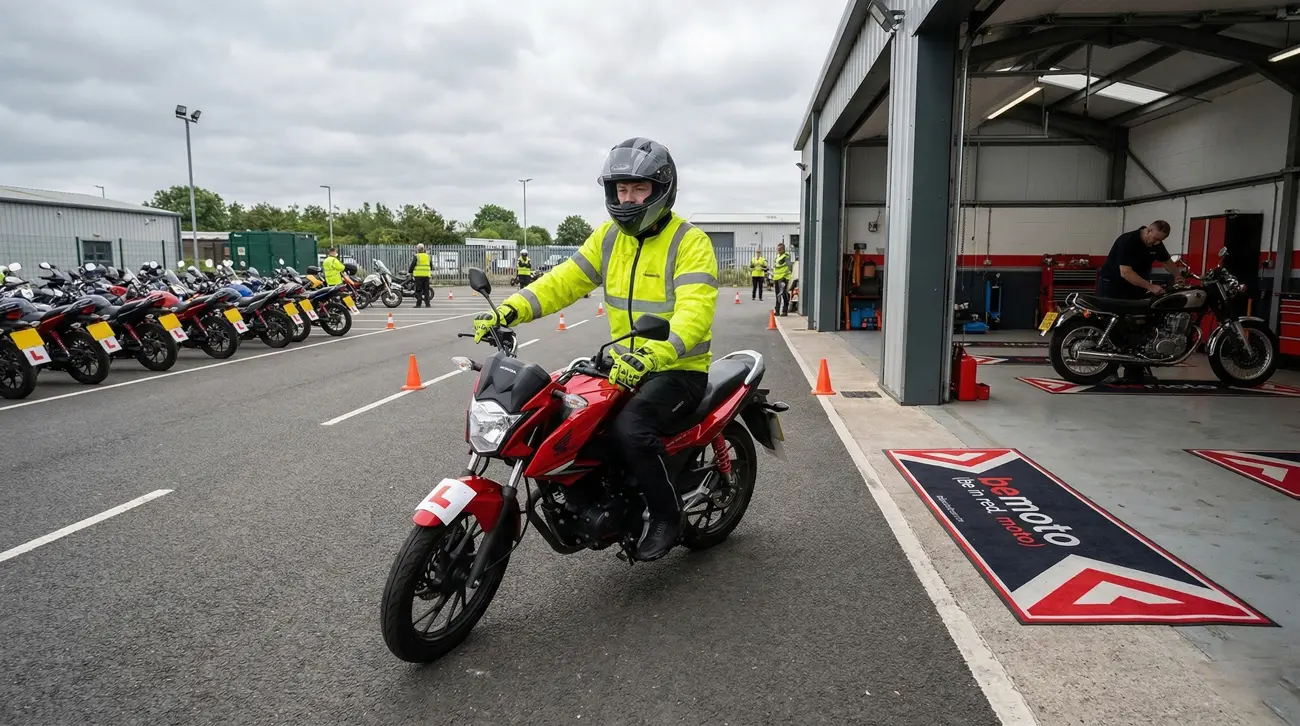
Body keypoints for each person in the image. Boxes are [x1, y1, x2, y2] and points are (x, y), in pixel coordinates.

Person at [472, 137, 717, 561]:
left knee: (631, 431)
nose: (629, 199)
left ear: (662, 190)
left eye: (639, 189)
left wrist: (660, 352)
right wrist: (509, 311)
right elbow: (563, 281)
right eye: (621, 190)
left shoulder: (690, 242)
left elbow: (694, 311)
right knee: (566, 421)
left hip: (677, 368)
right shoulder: (608, 238)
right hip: (623, 364)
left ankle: (666, 515)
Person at [1097, 220, 1183, 382]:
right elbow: (1125, 272)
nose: (1156, 243)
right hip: (1113, 287)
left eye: (1160, 241)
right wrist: (1151, 287)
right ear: (1148, 230)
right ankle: (1109, 371)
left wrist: (1178, 276)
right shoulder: (1128, 241)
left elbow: (1166, 261)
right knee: (1114, 326)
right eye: (1155, 239)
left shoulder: (1156, 244)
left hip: (1136, 288)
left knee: (1139, 327)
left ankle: (1135, 371)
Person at [772, 243, 791, 316]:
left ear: (783, 249)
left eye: (780, 249)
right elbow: (776, 265)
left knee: (783, 294)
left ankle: (785, 311)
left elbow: (789, 266)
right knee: (777, 295)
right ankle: (777, 310)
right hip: (777, 278)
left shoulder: (786, 256)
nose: (778, 251)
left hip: (783, 278)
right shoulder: (777, 257)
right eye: (778, 249)